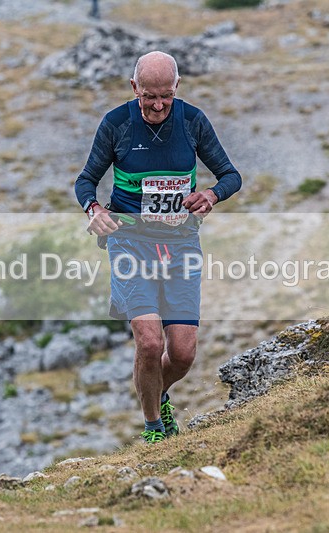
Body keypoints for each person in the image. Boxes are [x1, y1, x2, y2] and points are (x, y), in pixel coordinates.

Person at [75, 51, 242, 444]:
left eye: (165, 95)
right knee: (149, 342)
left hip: (181, 242)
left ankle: (158, 392)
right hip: (129, 241)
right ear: (135, 88)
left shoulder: (192, 121)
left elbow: (231, 175)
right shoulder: (116, 124)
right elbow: (85, 180)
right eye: (149, 95)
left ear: (177, 87)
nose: (158, 105)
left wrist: (213, 195)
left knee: (182, 353)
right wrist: (93, 208)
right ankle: (153, 429)